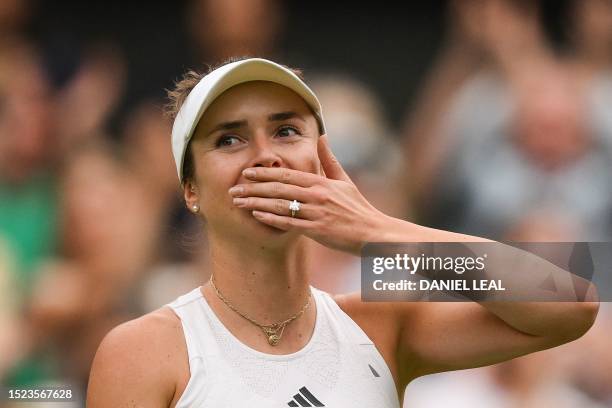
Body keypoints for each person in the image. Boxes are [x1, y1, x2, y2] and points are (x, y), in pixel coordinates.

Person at [86, 57, 599, 407]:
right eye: (229, 139)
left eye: (286, 131)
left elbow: (570, 300)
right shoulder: (142, 350)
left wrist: (375, 229)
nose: (266, 155)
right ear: (190, 189)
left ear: (322, 162)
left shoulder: (382, 321)